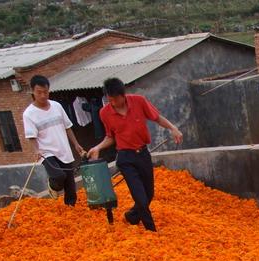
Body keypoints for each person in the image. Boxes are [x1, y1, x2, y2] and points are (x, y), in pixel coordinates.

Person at [88, 77, 183, 232]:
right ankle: (151, 231)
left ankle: (132, 216)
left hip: (143, 154)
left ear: (122, 95)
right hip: (125, 158)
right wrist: (98, 147)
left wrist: (173, 128)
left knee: (149, 194)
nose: (112, 103)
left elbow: (157, 117)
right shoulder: (104, 113)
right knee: (140, 197)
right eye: (109, 100)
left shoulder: (139, 101)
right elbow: (110, 137)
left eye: (115, 99)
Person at [22, 75, 86, 206]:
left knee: (69, 182)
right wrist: (36, 151)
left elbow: (67, 127)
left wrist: (76, 144)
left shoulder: (57, 106)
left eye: (45, 92)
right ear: (32, 91)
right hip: (46, 152)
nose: (43, 95)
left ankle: (71, 207)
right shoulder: (29, 113)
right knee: (58, 176)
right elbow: (31, 136)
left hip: (63, 148)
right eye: (39, 92)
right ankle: (53, 186)